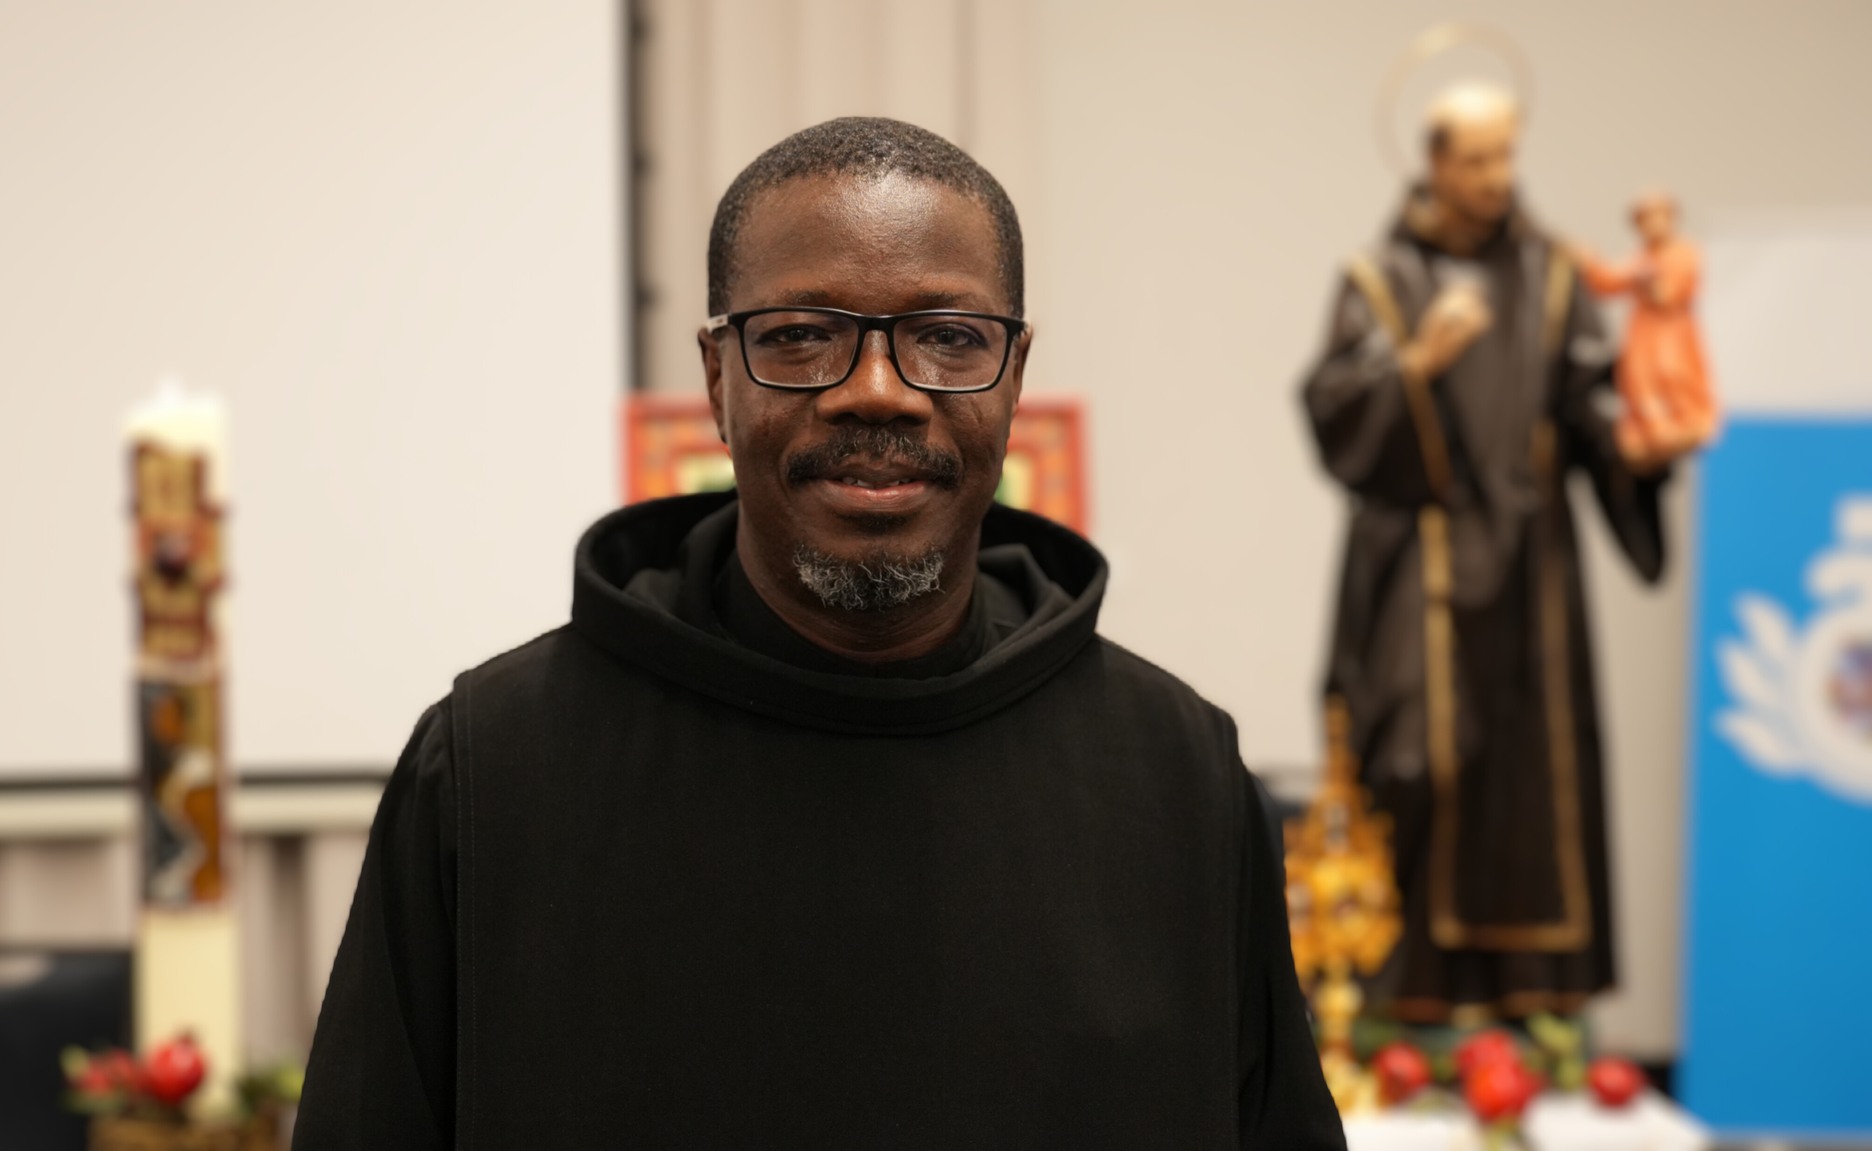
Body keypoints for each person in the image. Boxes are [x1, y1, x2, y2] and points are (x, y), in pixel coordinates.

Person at [295, 116, 1343, 1149]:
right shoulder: (490, 769)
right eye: (801, 335)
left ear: (1015, 377)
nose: (875, 392)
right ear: (718, 378)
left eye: (948, 337)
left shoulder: (1177, 775)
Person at [1300, 84, 1692, 1025]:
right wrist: (1416, 363)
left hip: (1529, 574)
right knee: (1413, 765)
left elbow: (1592, 406)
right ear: (1434, 162)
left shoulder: (1553, 275)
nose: (1495, 176)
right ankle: (1403, 1014)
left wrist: (1636, 450)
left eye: (1505, 155)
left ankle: (1531, 1013)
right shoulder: (1378, 279)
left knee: (1532, 784)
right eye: (1475, 159)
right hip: (1417, 565)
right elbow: (1332, 408)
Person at [1573, 191, 1719, 460]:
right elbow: (1609, 282)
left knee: (1672, 374)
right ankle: (1648, 430)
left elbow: (1666, 292)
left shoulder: (1683, 252)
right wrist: (1589, 262)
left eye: (1658, 216)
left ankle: (1682, 422)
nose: (1652, 224)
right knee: (1639, 379)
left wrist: (1640, 277)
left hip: (1671, 332)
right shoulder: (1641, 257)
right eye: (1644, 219)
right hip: (1643, 334)